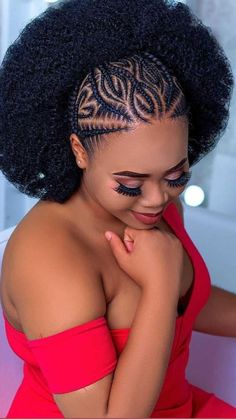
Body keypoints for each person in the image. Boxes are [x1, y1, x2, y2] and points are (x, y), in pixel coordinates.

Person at [0, 0, 235, 417]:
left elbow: (191, 303)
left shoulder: (152, 203)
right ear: (79, 151)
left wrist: (172, 287)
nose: (157, 198)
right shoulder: (49, 258)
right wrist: (159, 286)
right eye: (130, 183)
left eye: (176, 174)